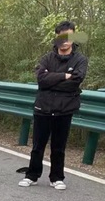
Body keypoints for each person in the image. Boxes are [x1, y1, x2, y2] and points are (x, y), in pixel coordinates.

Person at [19, 21, 88, 190]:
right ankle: (32, 175)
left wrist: (52, 79)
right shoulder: (46, 58)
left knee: (59, 147)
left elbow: (76, 82)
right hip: (43, 107)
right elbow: (41, 80)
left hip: (64, 109)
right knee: (37, 146)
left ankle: (56, 177)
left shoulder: (80, 60)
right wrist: (64, 76)